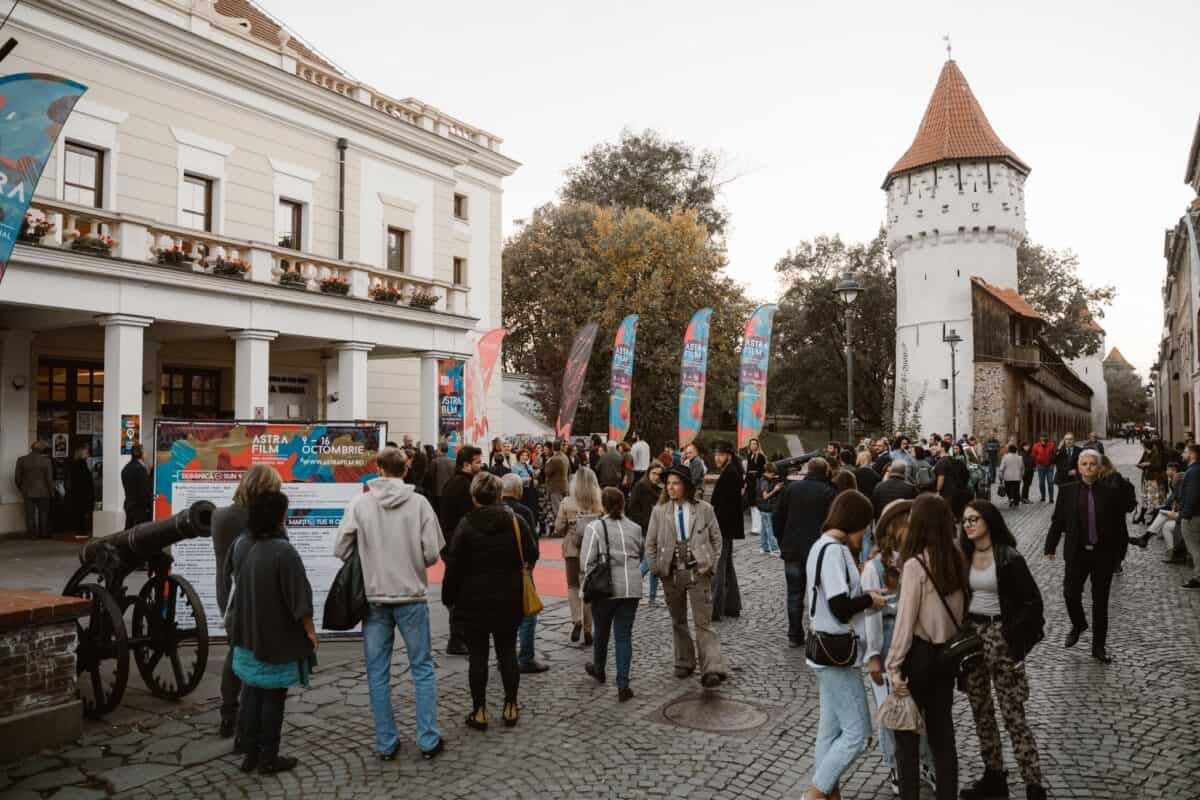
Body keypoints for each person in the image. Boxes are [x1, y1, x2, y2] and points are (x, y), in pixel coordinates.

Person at [335, 447, 445, 761]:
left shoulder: (360, 503)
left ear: (379, 470)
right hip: (410, 594)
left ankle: (386, 742)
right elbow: (432, 553)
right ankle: (427, 738)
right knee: (422, 669)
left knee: (377, 672)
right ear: (405, 470)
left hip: (374, 597)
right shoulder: (419, 504)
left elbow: (341, 548)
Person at [803, 490, 888, 800]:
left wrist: (866, 598)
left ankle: (829, 793)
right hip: (838, 652)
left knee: (829, 731)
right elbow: (839, 605)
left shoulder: (820, 546)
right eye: (865, 525)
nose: (866, 532)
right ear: (854, 520)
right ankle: (815, 794)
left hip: (825, 651)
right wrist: (870, 600)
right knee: (858, 735)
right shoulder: (835, 551)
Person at [959, 501, 1047, 800]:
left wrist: (1010, 636)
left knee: (1013, 713)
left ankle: (1033, 784)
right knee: (981, 711)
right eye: (965, 520)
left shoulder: (1009, 557)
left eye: (974, 519)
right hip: (973, 639)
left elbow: (1033, 604)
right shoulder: (964, 557)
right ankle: (994, 776)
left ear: (989, 521)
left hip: (1001, 636)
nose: (968, 524)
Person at [225, 490, 316, 775]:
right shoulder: (283, 551)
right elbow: (299, 600)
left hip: (246, 632)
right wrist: (311, 634)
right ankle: (268, 757)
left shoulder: (241, 544)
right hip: (275, 637)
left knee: (252, 691)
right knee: (273, 696)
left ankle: (250, 755)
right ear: (278, 516)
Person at [886, 493, 968, 800]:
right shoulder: (957, 558)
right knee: (943, 736)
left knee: (906, 740)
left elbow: (905, 622)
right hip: (946, 656)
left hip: (918, 657)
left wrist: (894, 667)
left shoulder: (915, 565)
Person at [442, 472, 538, 730]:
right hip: (509, 596)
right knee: (507, 651)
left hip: (473, 599)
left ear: (474, 497)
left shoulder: (466, 524)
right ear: (498, 494)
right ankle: (510, 705)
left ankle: (480, 710)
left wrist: (448, 597)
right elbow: (532, 553)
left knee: (478, 657)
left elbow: (454, 565)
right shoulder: (516, 521)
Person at [211, 465, 283, 742]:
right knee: (256, 656)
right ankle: (252, 724)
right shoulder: (259, 519)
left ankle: (228, 713)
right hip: (256, 593)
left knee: (235, 652)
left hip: (227, 594)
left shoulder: (220, 515)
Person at [645, 466, 727, 686]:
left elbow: (717, 540)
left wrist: (712, 565)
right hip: (671, 573)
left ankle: (711, 668)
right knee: (678, 620)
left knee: (703, 622)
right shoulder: (659, 511)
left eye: (675, 483)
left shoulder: (704, 509)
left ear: (686, 486)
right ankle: (683, 661)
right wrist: (656, 569)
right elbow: (650, 543)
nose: (670, 487)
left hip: (698, 571)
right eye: (668, 483)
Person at [1044, 449, 1124, 662]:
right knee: (1070, 593)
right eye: (1085, 464)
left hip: (1102, 554)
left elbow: (1119, 526)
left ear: (1099, 467)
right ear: (1079, 468)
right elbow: (1058, 520)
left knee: (1100, 603)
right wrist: (1050, 545)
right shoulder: (1067, 491)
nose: (1089, 467)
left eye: (1092, 464)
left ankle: (1098, 647)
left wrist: (1119, 554)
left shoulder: (1111, 492)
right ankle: (1079, 624)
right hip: (1076, 553)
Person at [581, 487, 644, 701]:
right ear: (623, 504)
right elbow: (640, 553)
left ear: (603, 505)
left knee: (602, 630)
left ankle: (599, 668)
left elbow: (587, 560)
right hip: (631, 587)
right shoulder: (635, 528)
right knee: (624, 636)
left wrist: (585, 587)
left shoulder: (595, 527)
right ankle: (623, 685)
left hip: (605, 588)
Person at [774, 458, 837, 647]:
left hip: (793, 549)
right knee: (820, 592)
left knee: (794, 593)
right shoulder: (829, 492)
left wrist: (782, 540)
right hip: (819, 550)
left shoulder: (790, 489)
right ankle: (819, 631)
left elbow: (777, 517)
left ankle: (794, 634)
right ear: (826, 471)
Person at [500, 474, 549, 674]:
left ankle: (504, 657)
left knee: (502, 615)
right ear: (519, 491)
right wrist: (530, 565)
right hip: (520, 569)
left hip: (497, 570)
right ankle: (526, 657)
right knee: (528, 612)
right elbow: (532, 545)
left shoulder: (493, 510)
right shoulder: (524, 512)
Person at [439, 445, 482, 655]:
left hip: (453, 543)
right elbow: (466, 520)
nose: (480, 466)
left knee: (461, 590)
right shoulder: (463, 485)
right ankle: (458, 637)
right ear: (467, 464)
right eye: (477, 462)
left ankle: (461, 636)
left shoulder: (455, 483)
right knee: (461, 592)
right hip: (458, 545)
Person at [555, 465, 602, 644]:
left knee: (573, 586)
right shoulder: (599, 502)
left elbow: (559, 528)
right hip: (592, 549)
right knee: (588, 588)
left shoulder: (567, 502)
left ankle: (577, 620)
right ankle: (589, 628)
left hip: (572, 549)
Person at [709, 442, 744, 621]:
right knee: (727, 567)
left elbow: (724, 507)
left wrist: (713, 527)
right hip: (726, 528)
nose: (717, 458)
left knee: (719, 568)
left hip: (723, 528)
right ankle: (732, 605)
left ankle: (714, 609)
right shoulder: (731, 472)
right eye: (716, 454)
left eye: (720, 454)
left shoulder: (730, 473)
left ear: (729, 456)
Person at [631, 462, 666, 603]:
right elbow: (632, 508)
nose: (656, 477)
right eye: (654, 473)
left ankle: (652, 597)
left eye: (659, 474)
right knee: (649, 562)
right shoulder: (640, 486)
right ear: (648, 473)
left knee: (654, 563)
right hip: (645, 529)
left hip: (658, 530)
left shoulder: (660, 489)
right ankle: (630, 587)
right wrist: (644, 522)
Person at [1178, 443, 1200, 588]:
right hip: (1195, 513)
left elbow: (1192, 495)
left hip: (1193, 516)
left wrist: (1184, 515)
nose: (1182, 454)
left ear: (1192, 454)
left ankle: (1199, 577)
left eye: (1185, 452)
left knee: (1195, 549)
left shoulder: (1193, 472)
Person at [1135, 438, 1168, 524]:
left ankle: (1154, 519)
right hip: (1147, 478)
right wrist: (1141, 465)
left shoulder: (1157, 454)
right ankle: (1141, 516)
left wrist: (1148, 465)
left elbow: (1159, 467)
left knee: (1154, 500)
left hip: (1155, 479)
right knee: (1144, 498)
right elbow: (1140, 462)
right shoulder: (1146, 453)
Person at [120, 443, 154, 529]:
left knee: (129, 531)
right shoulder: (140, 469)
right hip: (140, 508)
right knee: (139, 533)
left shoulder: (126, 468)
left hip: (129, 504)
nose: (146, 454)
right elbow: (145, 489)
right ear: (141, 454)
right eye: (144, 452)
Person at [935, 444, 971, 519]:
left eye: (937, 446)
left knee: (947, 513)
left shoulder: (942, 461)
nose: (935, 447)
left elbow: (941, 477)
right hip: (956, 489)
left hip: (947, 491)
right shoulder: (953, 459)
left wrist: (938, 490)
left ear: (943, 448)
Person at [757, 462, 784, 556]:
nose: (773, 476)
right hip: (766, 508)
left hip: (762, 507)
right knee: (770, 528)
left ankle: (764, 547)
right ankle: (774, 549)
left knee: (764, 528)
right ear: (768, 472)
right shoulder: (764, 481)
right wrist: (775, 489)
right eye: (772, 474)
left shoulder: (763, 479)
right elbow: (765, 496)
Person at [543, 441, 570, 525]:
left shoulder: (554, 459)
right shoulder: (565, 457)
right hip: (564, 486)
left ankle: (560, 529)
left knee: (557, 510)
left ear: (552, 448)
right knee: (564, 509)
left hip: (555, 488)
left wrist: (547, 462)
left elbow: (547, 472)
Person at [428, 442, 457, 515]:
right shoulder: (454, 462)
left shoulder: (435, 461)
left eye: (437, 449)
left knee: (438, 513)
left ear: (440, 450)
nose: (436, 451)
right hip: (450, 492)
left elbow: (431, 477)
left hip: (438, 493)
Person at [1030, 434, 1055, 502]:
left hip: (1050, 466)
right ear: (1040, 438)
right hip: (1040, 466)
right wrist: (1034, 465)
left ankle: (1051, 498)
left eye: (1045, 437)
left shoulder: (1051, 445)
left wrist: (1053, 463)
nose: (1043, 439)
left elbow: (1054, 454)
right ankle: (1043, 497)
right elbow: (1033, 456)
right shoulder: (1036, 445)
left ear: (1047, 438)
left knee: (1050, 482)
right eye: (1042, 437)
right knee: (1041, 483)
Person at [997, 444, 1024, 509]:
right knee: (1016, 490)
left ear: (1009, 450)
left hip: (1007, 477)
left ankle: (1011, 499)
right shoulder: (1020, 457)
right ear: (1015, 450)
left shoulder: (1005, 457)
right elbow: (1022, 467)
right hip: (1017, 477)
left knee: (1008, 489)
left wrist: (1000, 476)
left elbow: (1002, 468)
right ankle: (1016, 503)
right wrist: (1021, 475)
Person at [744, 438, 767, 510]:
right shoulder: (749, 455)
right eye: (751, 444)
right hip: (749, 479)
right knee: (749, 498)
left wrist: (755, 473)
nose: (753, 445)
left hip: (756, 480)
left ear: (757, 445)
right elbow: (748, 468)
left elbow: (763, 469)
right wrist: (745, 481)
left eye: (754, 444)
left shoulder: (760, 456)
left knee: (755, 499)